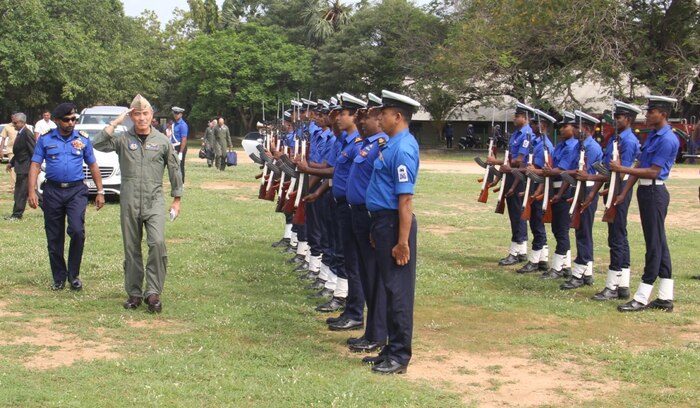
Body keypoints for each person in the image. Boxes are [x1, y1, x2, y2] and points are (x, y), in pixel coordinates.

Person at [92, 94, 183, 313]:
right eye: (137, 114)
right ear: (131, 116)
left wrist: (177, 199)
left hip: (154, 201)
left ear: (152, 115)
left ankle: (153, 292)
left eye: (145, 114)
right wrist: (115, 122)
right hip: (129, 202)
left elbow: (174, 169)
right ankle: (134, 293)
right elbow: (97, 143)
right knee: (131, 248)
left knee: (157, 243)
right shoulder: (123, 139)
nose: (141, 118)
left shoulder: (161, 141)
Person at [363, 90, 420, 375]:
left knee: (398, 292)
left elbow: (405, 199)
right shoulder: (392, 144)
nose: (379, 117)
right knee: (388, 287)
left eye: (384, 113)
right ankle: (390, 347)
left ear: (398, 116)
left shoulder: (403, 148)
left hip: (395, 223)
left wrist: (401, 241)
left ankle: (400, 355)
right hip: (383, 223)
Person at [612, 95, 679, 312]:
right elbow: (641, 164)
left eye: (652, 112)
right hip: (645, 190)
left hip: (655, 191)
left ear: (663, 114)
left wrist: (622, 169)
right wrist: (624, 192)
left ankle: (641, 296)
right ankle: (665, 297)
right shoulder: (653, 136)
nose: (647, 115)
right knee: (659, 241)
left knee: (654, 244)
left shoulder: (668, 139)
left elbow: (653, 170)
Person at [27, 103, 104, 290]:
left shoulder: (83, 139)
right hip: (52, 191)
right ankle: (59, 277)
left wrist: (100, 191)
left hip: (76, 191)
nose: (71, 123)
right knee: (54, 236)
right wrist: (31, 191)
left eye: (74, 119)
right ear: (56, 121)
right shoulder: (45, 139)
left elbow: (93, 165)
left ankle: (74, 275)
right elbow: (35, 165)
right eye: (67, 120)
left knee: (77, 231)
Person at [584, 101, 641, 301]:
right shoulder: (614, 139)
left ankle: (613, 285)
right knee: (618, 237)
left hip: (619, 192)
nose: (615, 121)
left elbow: (622, 173)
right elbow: (608, 171)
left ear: (629, 120)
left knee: (617, 238)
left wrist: (617, 193)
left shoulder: (628, 141)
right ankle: (622, 284)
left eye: (619, 117)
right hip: (613, 190)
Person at [345, 92, 388, 353]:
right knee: (364, 273)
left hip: (370, 216)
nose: (363, 120)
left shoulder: (380, 144)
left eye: (368, 116)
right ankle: (370, 331)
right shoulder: (367, 143)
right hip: (357, 213)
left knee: (373, 277)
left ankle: (377, 333)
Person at [559, 110, 603, 290]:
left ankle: (578, 274)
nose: (574, 130)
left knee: (584, 231)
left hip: (587, 190)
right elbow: (571, 170)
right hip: (576, 189)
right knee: (580, 230)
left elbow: (587, 174)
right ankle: (587, 273)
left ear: (586, 128)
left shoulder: (592, 148)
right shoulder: (579, 146)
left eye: (577, 127)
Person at [487, 102, 533, 266]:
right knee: (515, 213)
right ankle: (520, 250)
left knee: (517, 213)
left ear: (526, 118)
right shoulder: (516, 134)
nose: (515, 118)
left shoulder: (526, 135)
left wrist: (496, 161)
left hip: (518, 177)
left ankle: (516, 250)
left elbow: (518, 160)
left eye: (518, 116)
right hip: (511, 176)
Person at [5, 113, 35, 221]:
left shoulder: (27, 133)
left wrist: (36, 167)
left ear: (22, 122)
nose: (14, 125)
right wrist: (11, 163)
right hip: (20, 166)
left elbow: (33, 151)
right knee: (28, 192)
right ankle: (50, 208)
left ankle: (17, 215)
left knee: (20, 192)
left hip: (25, 167)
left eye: (15, 123)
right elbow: (20, 152)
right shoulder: (20, 133)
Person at [1, 113, 18, 190]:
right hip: (11, 150)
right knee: (12, 167)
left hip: (21, 150)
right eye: (12, 117)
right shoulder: (7, 127)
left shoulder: (23, 126)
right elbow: (3, 138)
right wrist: (1, 150)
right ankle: (14, 186)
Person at [171, 107, 188, 182]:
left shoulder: (183, 125)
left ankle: (182, 182)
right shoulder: (174, 124)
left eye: (177, 113)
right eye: (175, 113)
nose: (176, 115)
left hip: (180, 146)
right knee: (174, 165)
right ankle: (176, 180)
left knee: (180, 165)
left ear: (181, 114)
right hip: (174, 146)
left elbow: (184, 139)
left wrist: (181, 152)